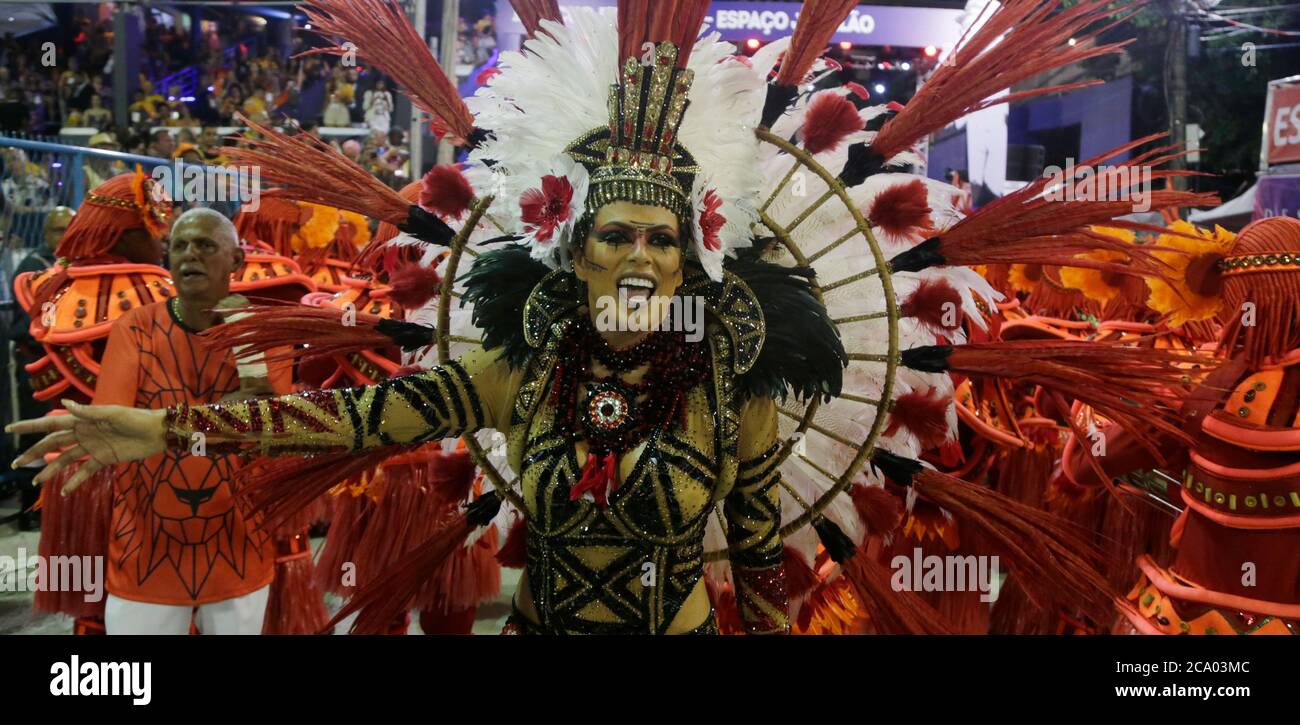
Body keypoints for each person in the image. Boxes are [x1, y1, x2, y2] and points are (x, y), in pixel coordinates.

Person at [10, 0, 1215, 636]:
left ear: (693, 253)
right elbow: (347, 419)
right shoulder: (510, 369)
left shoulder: (725, 379)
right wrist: (167, 437)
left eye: (657, 236)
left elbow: (756, 552)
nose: (635, 254)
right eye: (613, 235)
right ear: (572, 251)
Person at [42, 208, 289, 634]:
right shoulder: (135, 327)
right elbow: (114, 429)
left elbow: (264, 423)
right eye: (179, 246)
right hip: (144, 544)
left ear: (235, 261)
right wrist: (230, 409)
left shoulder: (266, 333)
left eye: (205, 245)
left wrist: (247, 350)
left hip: (239, 542)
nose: (189, 255)